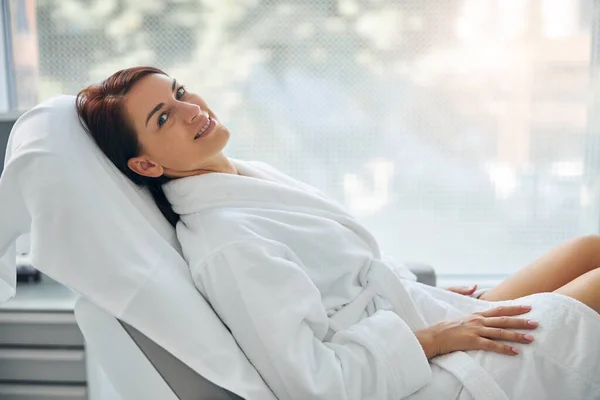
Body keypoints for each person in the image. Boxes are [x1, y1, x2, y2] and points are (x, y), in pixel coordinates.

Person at [76, 66, 600, 400]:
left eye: (181, 91)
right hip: (422, 378)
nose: (193, 110)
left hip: (420, 323)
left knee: (587, 249)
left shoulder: (248, 181)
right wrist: (435, 337)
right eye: (164, 116)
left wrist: (414, 296)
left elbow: (338, 279)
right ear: (144, 165)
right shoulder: (227, 244)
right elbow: (314, 386)